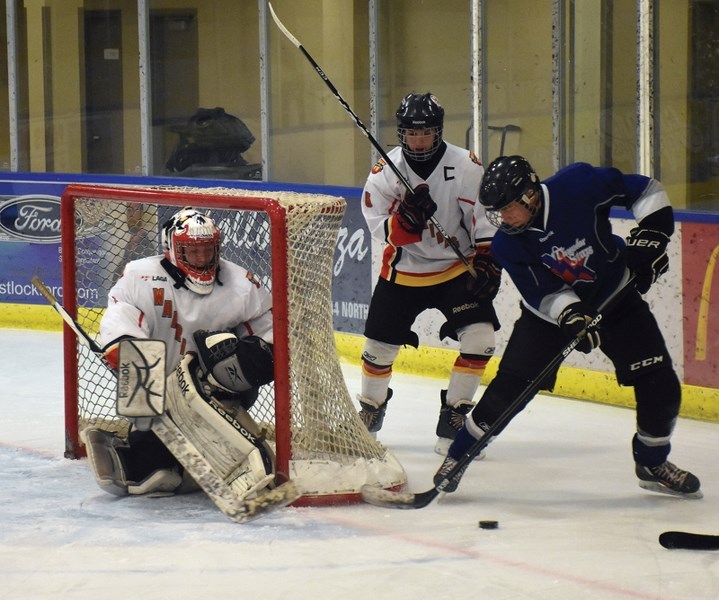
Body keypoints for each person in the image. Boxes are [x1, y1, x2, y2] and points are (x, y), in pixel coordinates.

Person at [434, 155, 702, 499]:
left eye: (509, 208)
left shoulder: (578, 184)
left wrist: (651, 236)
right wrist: (571, 314)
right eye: (497, 212)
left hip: (616, 296)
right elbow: (543, 291)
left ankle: (651, 464)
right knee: (506, 395)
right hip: (547, 319)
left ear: (530, 195)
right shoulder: (507, 243)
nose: (503, 218)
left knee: (661, 388)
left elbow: (646, 190)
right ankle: (456, 458)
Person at [85, 207, 277, 498]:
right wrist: (123, 350)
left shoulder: (242, 284)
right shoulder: (141, 276)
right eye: (192, 252)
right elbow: (119, 317)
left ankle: (221, 448)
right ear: (172, 250)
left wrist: (252, 359)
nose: (202, 259)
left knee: (224, 451)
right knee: (151, 475)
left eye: (208, 251)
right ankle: (158, 453)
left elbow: (270, 326)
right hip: (159, 393)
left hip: (218, 389)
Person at [358, 92, 502, 455]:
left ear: (438, 132)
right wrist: (406, 222)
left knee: (480, 338)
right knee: (377, 350)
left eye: (425, 134)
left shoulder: (466, 165)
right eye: (411, 134)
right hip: (404, 270)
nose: (418, 141)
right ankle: (370, 412)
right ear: (401, 133)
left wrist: (487, 259)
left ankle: (455, 419)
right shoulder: (385, 173)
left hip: (455, 268)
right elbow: (381, 229)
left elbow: (483, 220)